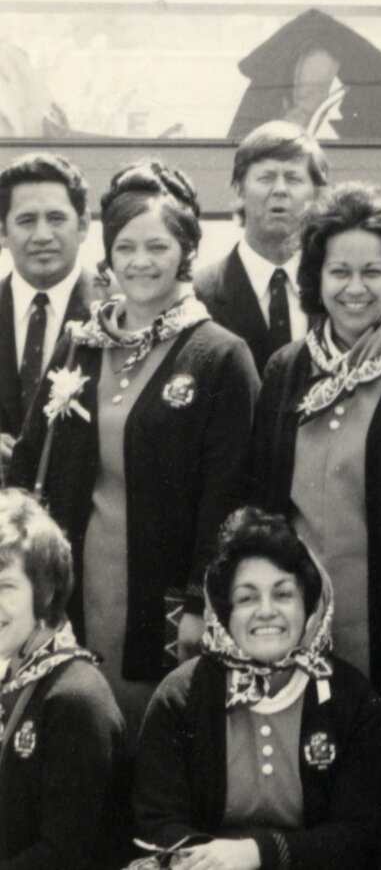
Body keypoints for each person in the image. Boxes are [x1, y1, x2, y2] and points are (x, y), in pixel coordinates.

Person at [245, 182, 381, 862]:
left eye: (373, 270)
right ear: (316, 277)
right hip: (300, 626)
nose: (355, 287)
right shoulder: (288, 366)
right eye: (339, 271)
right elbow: (260, 505)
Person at [6, 161, 258, 733]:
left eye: (157, 246)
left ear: (186, 250)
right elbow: (28, 457)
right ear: (108, 255)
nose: (140, 262)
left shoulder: (220, 355)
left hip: (162, 596)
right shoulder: (83, 343)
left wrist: (202, 600)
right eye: (125, 247)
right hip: (76, 586)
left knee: (150, 740)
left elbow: (229, 495)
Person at [131, 507, 381, 870]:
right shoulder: (181, 695)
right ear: (225, 612)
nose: (266, 611)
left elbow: (359, 836)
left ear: (309, 606)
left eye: (283, 594)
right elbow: (158, 821)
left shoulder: (353, 700)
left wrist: (258, 855)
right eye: (247, 598)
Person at [0, 488, 131, 870]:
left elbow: (64, 858)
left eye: (5, 586)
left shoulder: (74, 698)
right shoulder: (17, 677)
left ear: (46, 591)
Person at [193, 122, 330, 375]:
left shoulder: (337, 289)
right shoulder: (199, 294)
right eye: (266, 177)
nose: (279, 190)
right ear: (239, 191)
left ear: (317, 195)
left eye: (293, 178)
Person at [1, 153, 93, 457]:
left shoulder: (120, 312)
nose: (42, 235)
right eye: (26, 220)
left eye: (56, 218)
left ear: (83, 225)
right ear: (3, 231)